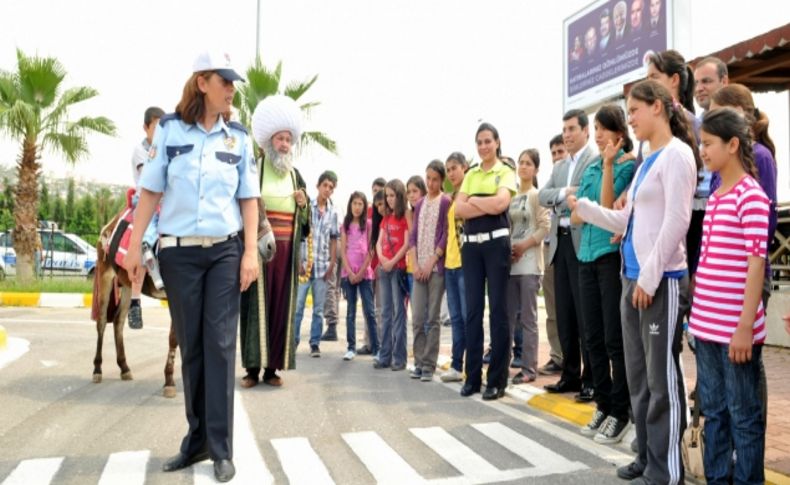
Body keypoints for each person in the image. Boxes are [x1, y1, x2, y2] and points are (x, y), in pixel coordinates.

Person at [124, 51, 259, 482]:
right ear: (202, 83)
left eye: (233, 83)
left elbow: (248, 199)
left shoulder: (237, 138)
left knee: (219, 345)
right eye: (225, 81)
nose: (232, 90)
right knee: (192, 347)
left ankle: (220, 448)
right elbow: (150, 190)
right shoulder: (168, 131)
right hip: (178, 253)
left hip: (223, 252)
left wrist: (251, 251)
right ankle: (195, 440)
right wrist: (131, 249)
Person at [573, 79, 699, 484]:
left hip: (659, 282)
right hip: (633, 279)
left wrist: (649, 276)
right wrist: (588, 209)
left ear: (658, 107)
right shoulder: (647, 161)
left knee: (662, 383)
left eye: (634, 110)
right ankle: (646, 458)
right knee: (640, 379)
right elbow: (627, 221)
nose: (630, 118)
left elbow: (678, 221)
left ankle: (667, 472)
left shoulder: (677, 155)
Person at [689, 107, 769, 485]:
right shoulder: (717, 195)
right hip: (706, 327)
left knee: (743, 415)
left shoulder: (750, 195)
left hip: (735, 331)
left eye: (707, 144)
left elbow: (756, 264)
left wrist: (744, 329)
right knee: (715, 413)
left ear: (732, 144)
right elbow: (708, 262)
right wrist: (696, 320)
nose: (702, 151)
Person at [569, 105, 635, 444]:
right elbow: (578, 215)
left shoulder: (625, 165)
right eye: (594, 128)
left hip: (610, 258)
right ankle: (604, 403)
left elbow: (608, 209)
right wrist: (586, 207)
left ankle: (620, 411)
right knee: (591, 337)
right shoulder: (592, 166)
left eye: (602, 128)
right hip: (586, 256)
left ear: (618, 133)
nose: (597, 134)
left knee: (613, 339)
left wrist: (609, 164)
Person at [240, 94, 310, 389]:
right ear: (269, 142)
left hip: (286, 252)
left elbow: (305, 223)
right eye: (280, 139)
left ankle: (272, 370)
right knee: (256, 309)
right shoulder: (253, 169)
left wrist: (304, 205)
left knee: (281, 307)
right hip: (258, 249)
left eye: (288, 140)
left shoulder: (297, 176)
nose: (284, 144)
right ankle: (253, 370)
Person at [539, 110, 597, 402]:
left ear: (586, 130)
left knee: (585, 314)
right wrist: (564, 194)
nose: (567, 134)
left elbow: (587, 197)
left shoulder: (593, 160)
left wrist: (561, 200)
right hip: (559, 244)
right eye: (564, 129)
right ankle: (570, 374)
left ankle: (591, 380)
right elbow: (542, 196)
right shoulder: (561, 166)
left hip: (581, 242)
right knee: (564, 314)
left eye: (572, 128)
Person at [455, 122, 516, 400]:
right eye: (479, 142)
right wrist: (486, 201)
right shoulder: (471, 174)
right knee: (473, 312)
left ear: (498, 142)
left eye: (488, 141)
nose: (483, 146)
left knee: (498, 313)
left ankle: (497, 380)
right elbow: (459, 208)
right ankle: (472, 378)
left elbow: (501, 204)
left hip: (496, 245)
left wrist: (475, 202)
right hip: (471, 248)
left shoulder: (506, 171)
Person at [709, 84, 778, 307]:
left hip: (747, 276)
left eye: (716, 113)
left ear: (738, 111)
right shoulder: (719, 164)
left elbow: (766, 223)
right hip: (719, 278)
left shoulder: (761, 156)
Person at [508, 149, 550, 384]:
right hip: (511, 265)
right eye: (521, 162)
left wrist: (524, 245)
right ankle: (502, 364)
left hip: (530, 265)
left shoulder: (538, 195)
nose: (523, 167)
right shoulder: (511, 196)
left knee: (528, 319)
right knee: (507, 317)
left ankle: (529, 369)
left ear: (535, 169)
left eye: (528, 163)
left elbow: (545, 227)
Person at [408, 161, 451, 382]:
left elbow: (445, 232)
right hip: (418, 268)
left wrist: (431, 261)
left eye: (435, 179)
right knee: (417, 318)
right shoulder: (421, 203)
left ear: (441, 180)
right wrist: (415, 264)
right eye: (428, 178)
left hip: (435, 268)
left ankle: (429, 365)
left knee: (432, 319)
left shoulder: (446, 201)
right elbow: (413, 235)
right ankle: (418, 361)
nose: (431, 183)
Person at [293, 171, 339, 358]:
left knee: (318, 309)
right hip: (304, 263)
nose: (327, 189)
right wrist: (297, 261)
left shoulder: (333, 212)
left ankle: (314, 343)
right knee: (298, 307)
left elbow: (334, 239)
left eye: (331, 187)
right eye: (325, 185)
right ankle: (293, 342)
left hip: (322, 267)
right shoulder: (307, 207)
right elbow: (297, 233)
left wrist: (332, 263)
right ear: (318, 185)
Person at [127, 106, 165, 330]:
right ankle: (135, 302)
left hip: (165, 203)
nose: (159, 133)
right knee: (145, 241)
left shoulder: (165, 148)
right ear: (146, 127)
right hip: (146, 203)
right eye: (156, 127)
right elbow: (149, 181)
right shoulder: (141, 151)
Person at [374, 179, 410, 371]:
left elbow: (406, 244)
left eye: (392, 195)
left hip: (397, 269)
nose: (388, 199)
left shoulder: (405, 216)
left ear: (399, 195)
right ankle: (384, 355)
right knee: (385, 313)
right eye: (387, 195)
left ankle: (399, 358)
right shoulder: (386, 219)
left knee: (399, 313)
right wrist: (382, 259)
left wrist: (391, 262)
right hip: (384, 269)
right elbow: (378, 242)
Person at [539, 135, 567, 376]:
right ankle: (557, 355)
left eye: (561, 151)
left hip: (571, 243)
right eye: (554, 152)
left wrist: (557, 196)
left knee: (572, 308)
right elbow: (543, 196)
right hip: (550, 247)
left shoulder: (575, 171)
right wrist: (560, 195)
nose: (558, 156)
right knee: (552, 308)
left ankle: (573, 357)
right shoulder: (553, 177)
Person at [440, 152, 469, 383]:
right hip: (449, 264)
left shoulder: (468, 195)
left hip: (465, 263)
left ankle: (473, 365)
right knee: (457, 318)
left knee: (469, 317)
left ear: (464, 167)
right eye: (448, 169)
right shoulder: (450, 198)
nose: (451, 173)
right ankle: (457, 365)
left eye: (454, 168)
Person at [340, 191, 378, 361]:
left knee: (370, 311)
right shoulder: (345, 225)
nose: (357, 207)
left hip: (365, 274)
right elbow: (342, 250)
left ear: (365, 206)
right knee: (350, 311)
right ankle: (351, 347)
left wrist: (361, 272)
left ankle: (376, 348)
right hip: (348, 273)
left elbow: (370, 250)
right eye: (354, 203)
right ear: (350, 205)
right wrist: (349, 271)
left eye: (360, 204)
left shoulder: (368, 224)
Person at [358, 177, 387, 356]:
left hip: (383, 267)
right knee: (367, 308)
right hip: (368, 267)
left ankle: (381, 344)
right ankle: (368, 342)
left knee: (381, 308)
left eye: (380, 189)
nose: (377, 192)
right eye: (374, 189)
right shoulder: (368, 212)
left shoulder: (388, 214)